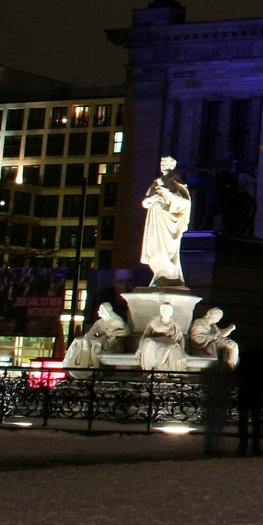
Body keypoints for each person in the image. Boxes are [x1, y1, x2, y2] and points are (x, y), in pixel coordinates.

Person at [139, 156, 193, 286]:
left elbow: (185, 202)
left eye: (165, 163)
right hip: (156, 220)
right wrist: (150, 200)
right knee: (155, 250)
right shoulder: (156, 181)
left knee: (166, 251)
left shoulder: (176, 182)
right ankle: (159, 275)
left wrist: (166, 191)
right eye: (161, 163)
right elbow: (145, 202)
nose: (162, 165)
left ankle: (169, 277)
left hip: (169, 223)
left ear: (172, 165)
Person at [236, 345, 263, 456]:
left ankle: (243, 445)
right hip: (257, 391)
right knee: (256, 420)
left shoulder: (246, 359)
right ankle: (255, 445)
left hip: (245, 391)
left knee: (243, 419)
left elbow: (238, 373)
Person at [63, 303, 130, 370]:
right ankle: (72, 358)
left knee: (98, 341)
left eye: (100, 310)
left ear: (106, 311)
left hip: (110, 342)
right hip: (99, 340)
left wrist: (115, 333)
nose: (98, 311)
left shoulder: (116, 321)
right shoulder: (99, 323)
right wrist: (85, 339)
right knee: (79, 339)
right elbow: (90, 333)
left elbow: (127, 331)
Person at [137, 303, 189, 373]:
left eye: (168, 310)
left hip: (170, 343)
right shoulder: (153, 322)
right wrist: (140, 348)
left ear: (171, 312)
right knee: (148, 343)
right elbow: (146, 335)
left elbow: (180, 338)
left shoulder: (175, 325)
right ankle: (153, 371)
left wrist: (182, 350)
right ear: (161, 311)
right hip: (156, 342)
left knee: (174, 350)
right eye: (164, 310)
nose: (165, 311)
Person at [200, 358, 236, 455]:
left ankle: (209, 446)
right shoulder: (225, 368)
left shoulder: (213, 367)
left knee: (211, 424)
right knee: (216, 424)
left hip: (213, 397)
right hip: (220, 397)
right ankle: (214, 446)